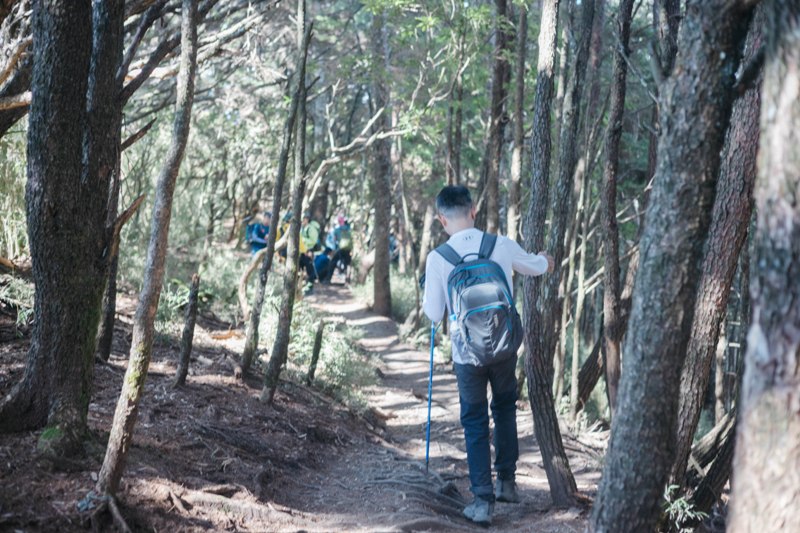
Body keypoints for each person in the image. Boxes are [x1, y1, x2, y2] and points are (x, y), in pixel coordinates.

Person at [421, 185, 554, 526]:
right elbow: (536, 266)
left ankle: (482, 502)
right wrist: (546, 260)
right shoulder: (500, 245)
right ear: (474, 210)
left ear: (441, 219)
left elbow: (434, 314)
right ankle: (506, 482)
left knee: (475, 421)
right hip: (505, 347)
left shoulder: (438, 258)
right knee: (505, 408)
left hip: (467, 355)